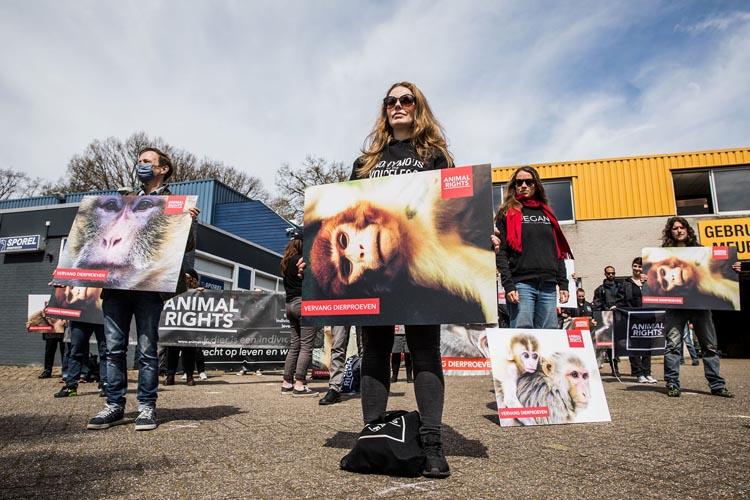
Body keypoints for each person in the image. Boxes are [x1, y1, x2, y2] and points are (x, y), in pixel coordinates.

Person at [346, 82, 455, 478]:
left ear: (418, 107)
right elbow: (348, 211)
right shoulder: (365, 162)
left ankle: (432, 442)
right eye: (390, 101)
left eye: (405, 100)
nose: (397, 106)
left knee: (424, 351)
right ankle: (373, 437)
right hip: (373, 267)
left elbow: (451, 210)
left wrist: (479, 234)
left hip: (419, 265)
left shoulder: (434, 155)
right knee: (374, 351)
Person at [87, 147, 200, 431]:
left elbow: (185, 247)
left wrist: (187, 221)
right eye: (139, 161)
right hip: (115, 287)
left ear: (163, 169)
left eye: (147, 162)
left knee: (148, 350)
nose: (141, 165)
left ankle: (147, 407)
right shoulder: (124, 200)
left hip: (149, 287)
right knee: (113, 349)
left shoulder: (176, 203)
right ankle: (114, 405)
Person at [660, 216, 732, 398]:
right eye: (675, 228)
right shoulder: (663, 253)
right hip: (676, 307)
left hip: (701, 305)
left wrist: (733, 267)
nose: (679, 230)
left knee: (709, 346)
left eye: (682, 227)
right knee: (673, 346)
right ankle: (672, 383)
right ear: (671, 232)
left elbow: (719, 271)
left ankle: (717, 385)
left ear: (687, 230)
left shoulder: (701, 251)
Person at [495, 166, 573, 329]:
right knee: (523, 337)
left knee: (549, 334)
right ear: (514, 186)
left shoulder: (547, 213)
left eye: (528, 182)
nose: (523, 185)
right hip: (521, 285)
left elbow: (556, 251)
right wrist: (508, 285)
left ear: (536, 185)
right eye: (519, 182)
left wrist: (563, 284)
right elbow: (501, 252)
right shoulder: (506, 213)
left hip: (549, 285)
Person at [280, 234, 318, 397]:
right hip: (304, 304)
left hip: (289, 305)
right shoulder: (302, 260)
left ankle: (286, 383)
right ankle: (300, 384)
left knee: (295, 345)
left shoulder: (285, 262)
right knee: (306, 346)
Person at [617, 257, 657, 384]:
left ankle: (647, 373)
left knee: (647, 347)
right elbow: (621, 300)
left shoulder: (649, 282)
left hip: (647, 319)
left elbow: (656, 298)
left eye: (640, 266)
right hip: (632, 319)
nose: (637, 269)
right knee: (634, 346)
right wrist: (617, 308)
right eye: (635, 266)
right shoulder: (626, 283)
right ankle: (638, 373)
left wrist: (648, 284)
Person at [164, 269, 201, 387]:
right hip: (175, 324)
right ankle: (170, 375)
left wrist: (201, 294)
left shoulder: (198, 292)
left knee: (189, 351)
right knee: (172, 351)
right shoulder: (174, 288)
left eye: (189, 277)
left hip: (190, 326)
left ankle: (189, 376)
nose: (186, 279)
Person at [54, 318, 107, 397]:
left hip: (100, 315)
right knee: (75, 352)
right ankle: (71, 387)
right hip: (81, 316)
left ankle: (106, 385)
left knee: (105, 352)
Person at [319, 325, 357, 405]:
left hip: (365, 314)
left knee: (367, 346)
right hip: (342, 314)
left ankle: (369, 385)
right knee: (337, 346)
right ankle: (334, 388)